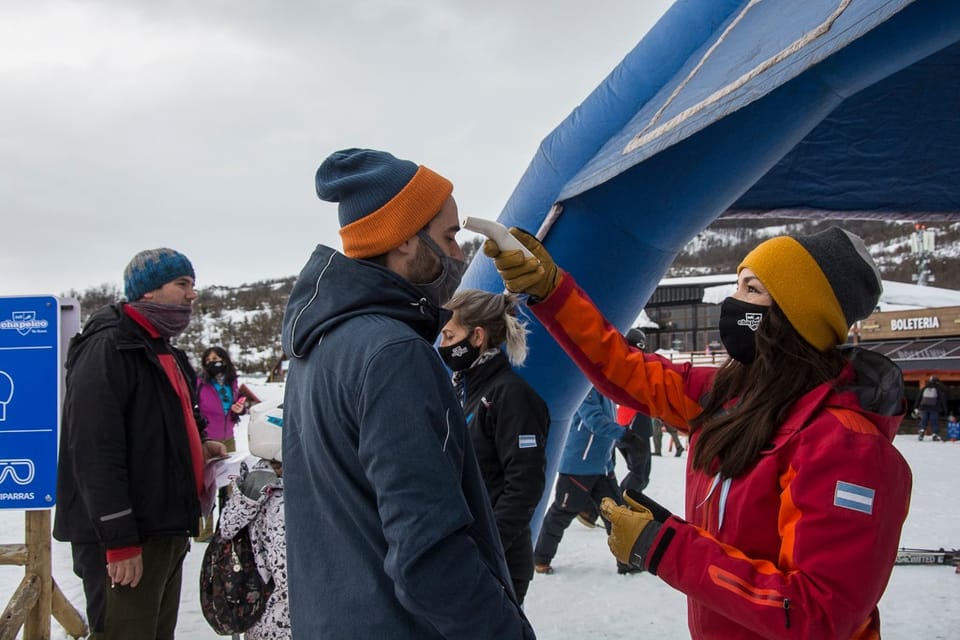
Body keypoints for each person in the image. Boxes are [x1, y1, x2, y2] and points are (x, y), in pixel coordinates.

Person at [485, 226, 911, 639]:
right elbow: (624, 368)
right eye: (737, 284)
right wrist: (551, 290)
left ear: (796, 314)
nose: (734, 302)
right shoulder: (730, 395)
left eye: (751, 289)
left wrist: (665, 546)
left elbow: (816, 614)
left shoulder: (847, 445)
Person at [280, 148, 534, 639]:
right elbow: (429, 555)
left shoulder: (319, 344)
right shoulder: (393, 353)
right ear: (400, 240)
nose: (460, 255)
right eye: (448, 236)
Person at [53, 248, 227, 639]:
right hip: (126, 540)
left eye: (192, 285)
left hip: (164, 529)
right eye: (182, 284)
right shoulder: (107, 348)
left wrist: (199, 444)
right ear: (147, 291)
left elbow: (164, 425)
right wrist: (120, 543)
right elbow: (95, 452)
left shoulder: (166, 350)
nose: (192, 295)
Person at [439, 288, 550, 604]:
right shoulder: (466, 390)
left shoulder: (510, 396)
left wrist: (487, 546)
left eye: (449, 336)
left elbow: (524, 486)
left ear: (476, 337)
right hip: (467, 554)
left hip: (496, 563)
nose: (443, 345)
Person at [533, 386, 633, 575]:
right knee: (562, 512)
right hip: (578, 465)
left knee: (618, 515)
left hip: (602, 465)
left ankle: (626, 562)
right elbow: (594, 421)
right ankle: (540, 558)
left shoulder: (605, 388)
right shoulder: (584, 387)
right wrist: (626, 435)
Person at [218, 412, 289, 640]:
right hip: (283, 623)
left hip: (259, 619)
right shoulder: (280, 503)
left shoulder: (254, 486)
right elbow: (288, 573)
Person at [195, 345, 247, 542]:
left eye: (216, 358)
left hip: (228, 437)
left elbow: (235, 408)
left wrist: (238, 409)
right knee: (206, 486)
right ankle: (203, 532)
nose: (213, 362)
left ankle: (226, 527)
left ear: (224, 360)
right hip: (207, 439)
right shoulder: (200, 382)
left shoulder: (232, 382)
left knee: (228, 484)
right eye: (208, 359)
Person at [916, 375, 949, 440]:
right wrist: (945, 410)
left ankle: (922, 431)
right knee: (934, 421)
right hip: (934, 408)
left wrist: (916, 407)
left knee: (924, 420)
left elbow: (919, 397)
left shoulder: (925, 387)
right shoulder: (938, 388)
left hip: (924, 407)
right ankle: (934, 434)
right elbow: (942, 399)